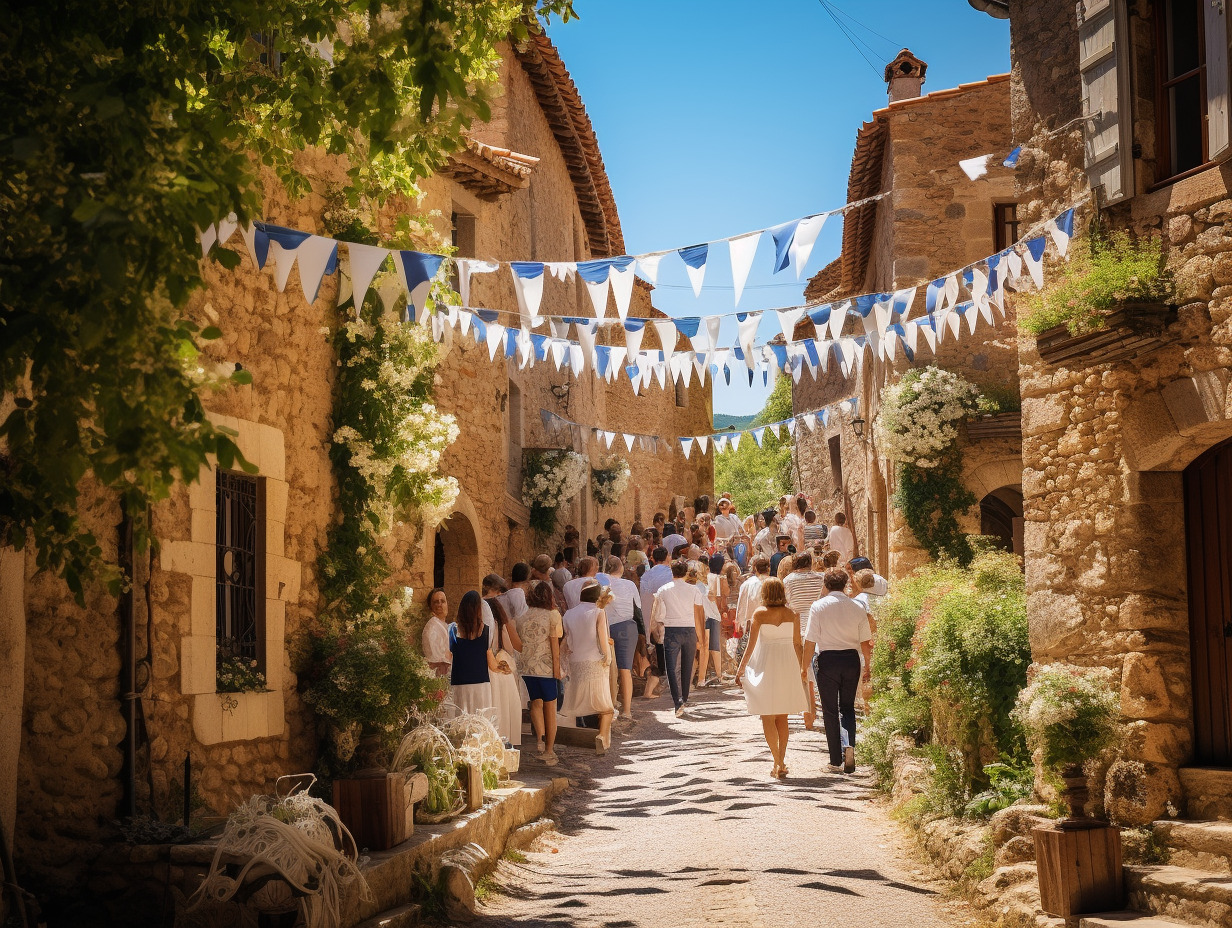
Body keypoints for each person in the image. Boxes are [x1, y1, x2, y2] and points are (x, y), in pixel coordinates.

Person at [803, 568, 873, 774]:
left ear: (825, 585)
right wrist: (868, 665)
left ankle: (835, 759)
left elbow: (810, 640)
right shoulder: (857, 607)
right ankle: (849, 745)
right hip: (851, 659)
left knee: (830, 710)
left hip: (828, 660)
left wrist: (803, 665)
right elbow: (865, 642)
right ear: (846, 585)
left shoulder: (818, 606)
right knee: (848, 708)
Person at [736, 578, 808, 778]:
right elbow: (797, 644)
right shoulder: (792, 614)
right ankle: (781, 761)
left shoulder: (759, 613)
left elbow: (750, 646)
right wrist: (802, 668)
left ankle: (777, 761)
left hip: (766, 664)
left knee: (767, 715)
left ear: (765, 593)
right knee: (783, 715)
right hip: (787, 664)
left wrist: (740, 670)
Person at [560, 580, 615, 754]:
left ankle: (598, 739)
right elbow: (602, 637)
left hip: (576, 662)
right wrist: (608, 658)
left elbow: (567, 640)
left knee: (582, 703)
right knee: (606, 708)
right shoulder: (598, 612)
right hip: (594, 662)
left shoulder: (568, 613)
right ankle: (601, 738)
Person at [650, 559, 707, 717]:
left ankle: (678, 701)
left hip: (671, 630)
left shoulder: (663, 589)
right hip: (689, 630)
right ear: (686, 572)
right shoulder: (694, 590)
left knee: (671, 668)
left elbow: (659, 615)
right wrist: (701, 638)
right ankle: (685, 698)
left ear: (672, 572)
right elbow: (698, 614)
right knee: (687, 667)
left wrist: (656, 630)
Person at [516, 581, 563, 765]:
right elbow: (554, 645)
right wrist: (557, 670)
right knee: (550, 708)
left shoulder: (522, 615)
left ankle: (539, 742)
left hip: (527, 667)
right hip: (545, 668)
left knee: (535, 703)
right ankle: (550, 750)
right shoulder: (552, 615)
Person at [449, 591, 511, 717]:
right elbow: (492, 665)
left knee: (461, 724)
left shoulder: (452, 631)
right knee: (481, 724)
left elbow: (448, 657)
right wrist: (503, 667)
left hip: (459, 684)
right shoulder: (485, 631)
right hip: (481, 685)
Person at [784, 552, 827, 731]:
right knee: (819, 674)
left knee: (804, 674)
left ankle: (808, 713)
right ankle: (813, 710)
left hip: (798, 629)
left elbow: (787, 605)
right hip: (820, 629)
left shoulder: (787, 581)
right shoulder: (821, 578)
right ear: (810, 563)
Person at [482, 575, 524, 747]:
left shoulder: (481, 616)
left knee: (492, 703)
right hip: (500, 665)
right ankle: (506, 741)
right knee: (505, 705)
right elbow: (509, 645)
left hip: (484, 665)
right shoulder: (499, 620)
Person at [604, 556, 642, 721]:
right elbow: (638, 608)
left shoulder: (603, 584)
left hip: (606, 626)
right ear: (621, 568)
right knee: (625, 669)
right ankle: (627, 710)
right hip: (627, 626)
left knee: (607, 669)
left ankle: (609, 708)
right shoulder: (629, 584)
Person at [639, 546, 672, 701]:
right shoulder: (671, 573)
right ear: (666, 557)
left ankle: (659, 680)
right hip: (669, 615)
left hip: (652, 615)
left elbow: (645, 598)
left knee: (658, 649)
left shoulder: (647, 575)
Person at [690, 559, 723, 688]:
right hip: (705, 618)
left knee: (699, 649)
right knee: (704, 649)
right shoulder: (703, 587)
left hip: (693, 619)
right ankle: (701, 679)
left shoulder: (694, 587)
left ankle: (697, 679)